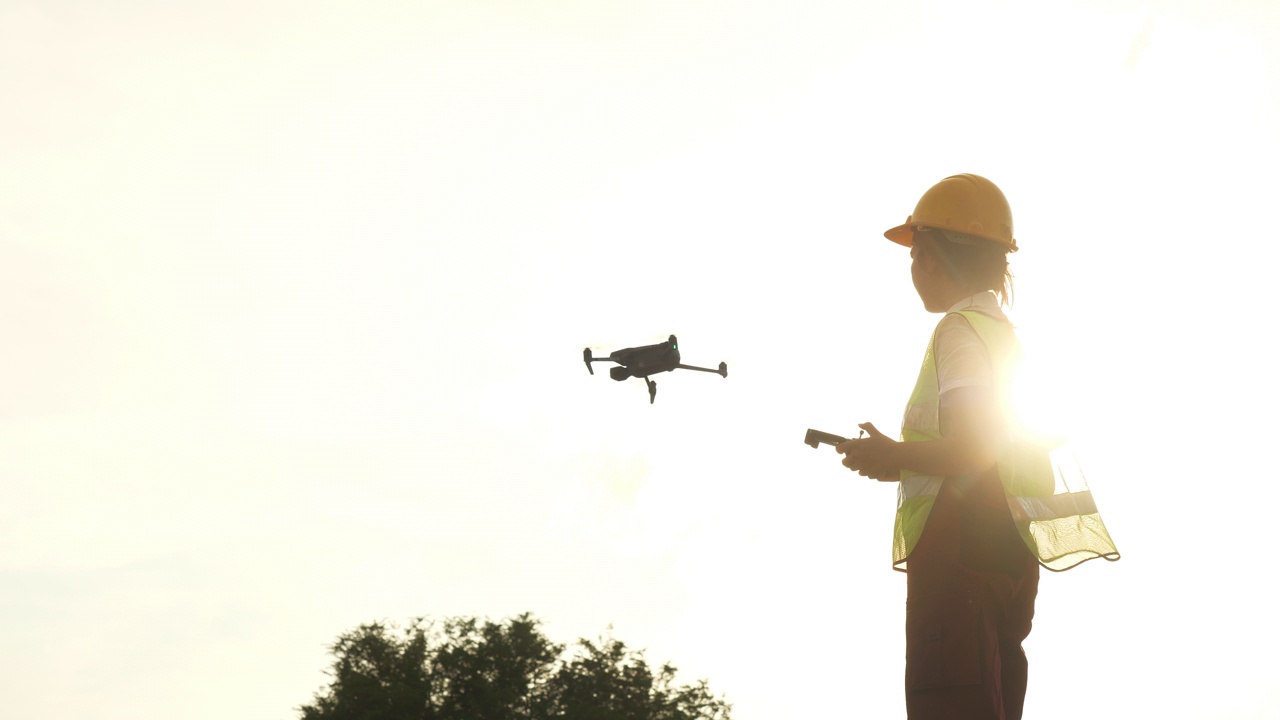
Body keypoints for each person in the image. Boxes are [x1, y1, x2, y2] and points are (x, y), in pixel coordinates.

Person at [835, 174, 1068, 719]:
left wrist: (894, 455)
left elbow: (974, 448)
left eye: (914, 254)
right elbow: (985, 454)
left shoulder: (959, 331)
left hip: (959, 558)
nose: (913, 269)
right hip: (1002, 551)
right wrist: (896, 461)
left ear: (932, 257)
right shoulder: (1000, 334)